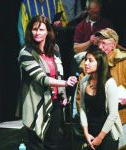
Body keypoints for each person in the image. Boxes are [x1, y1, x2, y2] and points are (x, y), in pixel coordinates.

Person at [16, 15, 77, 150]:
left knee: (52, 144)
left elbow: (59, 73)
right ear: (30, 31)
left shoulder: (55, 49)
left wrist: (64, 94)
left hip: (55, 102)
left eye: (41, 30)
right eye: (34, 29)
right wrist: (65, 84)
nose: (37, 33)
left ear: (48, 31)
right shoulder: (26, 52)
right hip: (35, 103)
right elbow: (42, 78)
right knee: (37, 145)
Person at [76, 28, 126, 148]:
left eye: (104, 43)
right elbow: (81, 96)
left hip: (121, 116)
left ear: (114, 45)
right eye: (98, 42)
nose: (100, 46)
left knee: (120, 146)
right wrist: (82, 121)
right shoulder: (89, 63)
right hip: (93, 121)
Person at [80, 48, 123, 150]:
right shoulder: (84, 81)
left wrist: (100, 137)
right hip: (90, 131)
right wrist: (86, 133)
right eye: (86, 59)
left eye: (90, 60)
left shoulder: (109, 83)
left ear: (99, 63)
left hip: (106, 134)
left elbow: (113, 114)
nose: (86, 63)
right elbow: (82, 107)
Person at [18, 0, 83, 46]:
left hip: (53, 42)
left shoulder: (56, 1)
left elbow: (64, 22)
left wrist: (60, 24)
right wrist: (24, 46)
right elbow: (22, 28)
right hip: (34, 44)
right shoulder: (26, 3)